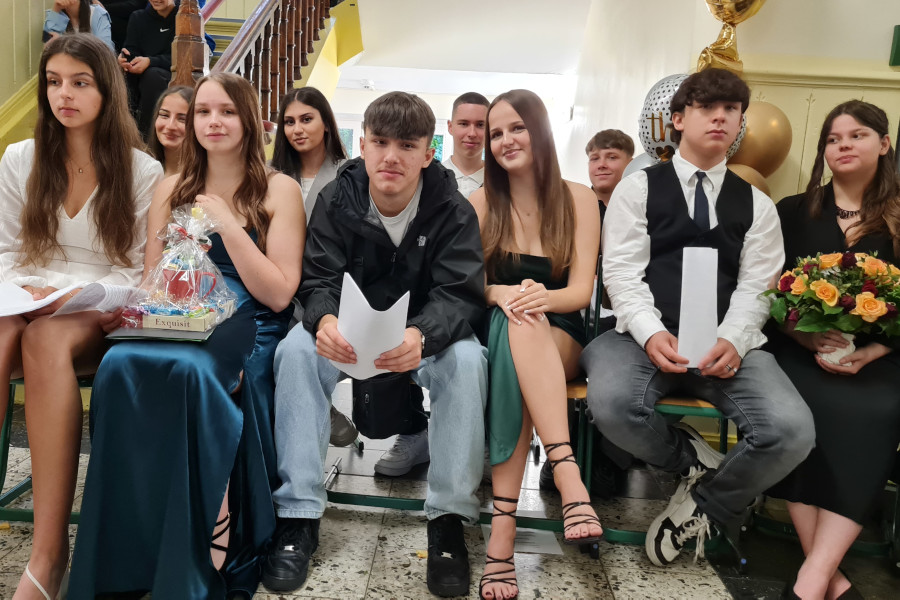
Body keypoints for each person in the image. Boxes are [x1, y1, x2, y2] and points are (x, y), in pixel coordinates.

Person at [68, 72, 304, 598]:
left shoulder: (279, 189)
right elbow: (154, 278)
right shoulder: (170, 187)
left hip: (247, 318)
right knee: (119, 365)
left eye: (227, 111)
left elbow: (279, 294)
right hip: (177, 312)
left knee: (193, 372)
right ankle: (131, 543)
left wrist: (227, 225)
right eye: (203, 112)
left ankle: (211, 518)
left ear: (249, 120)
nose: (213, 122)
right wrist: (130, 309)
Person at [583, 68, 816, 568]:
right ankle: (688, 462)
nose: (720, 117)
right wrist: (651, 334)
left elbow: (758, 286)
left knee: (792, 430)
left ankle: (703, 502)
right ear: (679, 119)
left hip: (729, 345)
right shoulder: (637, 189)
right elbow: (621, 274)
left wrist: (732, 339)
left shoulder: (757, 205)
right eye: (707, 107)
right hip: (639, 338)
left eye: (731, 110)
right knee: (612, 405)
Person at [265, 91, 487, 597]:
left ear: (428, 153)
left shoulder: (453, 208)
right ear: (362, 145)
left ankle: (448, 521)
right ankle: (298, 515)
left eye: (406, 145)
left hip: (423, 334)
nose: (391, 157)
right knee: (294, 352)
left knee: (469, 361)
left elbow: (460, 292)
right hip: (347, 329)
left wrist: (422, 333)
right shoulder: (336, 199)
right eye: (380, 142)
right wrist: (324, 319)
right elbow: (318, 278)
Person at [0, 33, 161, 599]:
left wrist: (69, 293)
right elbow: (4, 253)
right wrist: (29, 290)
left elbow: (138, 276)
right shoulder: (20, 158)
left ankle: (49, 555)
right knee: (4, 335)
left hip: (97, 308)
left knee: (44, 340)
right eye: (53, 82)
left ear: (107, 90)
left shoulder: (142, 171)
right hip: (22, 294)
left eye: (79, 82)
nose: (62, 94)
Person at [469, 89, 602, 600]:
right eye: (496, 133)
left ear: (540, 131)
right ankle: (565, 470)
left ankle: (502, 532)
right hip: (499, 326)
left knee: (523, 323)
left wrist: (536, 298)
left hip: (561, 329)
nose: (505, 140)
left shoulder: (579, 198)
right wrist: (500, 292)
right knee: (514, 331)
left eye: (517, 128)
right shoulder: (480, 202)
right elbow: (468, 284)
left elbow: (580, 291)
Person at [766, 100, 900, 600]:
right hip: (799, 352)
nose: (843, 145)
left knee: (877, 411)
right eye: (832, 139)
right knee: (799, 413)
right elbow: (766, 292)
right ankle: (830, 580)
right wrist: (803, 336)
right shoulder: (792, 211)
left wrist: (875, 351)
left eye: (857, 135)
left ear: (883, 144)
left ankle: (812, 578)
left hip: (882, 357)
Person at [270, 86, 348, 220]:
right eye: (290, 122)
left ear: (326, 124)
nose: (297, 130)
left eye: (306, 119)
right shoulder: (268, 173)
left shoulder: (348, 174)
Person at [119, 0, 178, 139]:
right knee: (119, 74)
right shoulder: (138, 17)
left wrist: (150, 61)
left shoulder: (185, 18)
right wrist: (125, 60)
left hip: (169, 73)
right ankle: (123, 135)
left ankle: (146, 138)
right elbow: (131, 49)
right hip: (141, 73)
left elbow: (185, 56)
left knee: (152, 77)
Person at [442, 92, 490, 200]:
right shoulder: (430, 178)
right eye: (464, 124)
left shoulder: (501, 181)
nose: (472, 133)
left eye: (480, 125)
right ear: (450, 127)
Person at [585, 129, 634, 220]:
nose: (601, 165)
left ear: (631, 164)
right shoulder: (574, 208)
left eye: (612, 157)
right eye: (595, 158)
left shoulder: (643, 207)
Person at [146, 85, 193, 177]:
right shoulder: (141, 166)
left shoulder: (205, 177)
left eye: (182, 119)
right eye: (164, 115)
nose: (170, 126)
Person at [43, 0, 115, 54]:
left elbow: (106, 51)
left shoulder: (98, 14)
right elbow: (47, 48)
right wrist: (56, 9)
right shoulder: (54, 14)